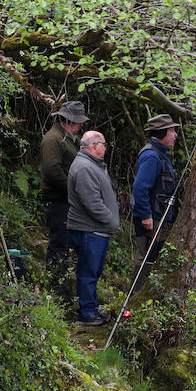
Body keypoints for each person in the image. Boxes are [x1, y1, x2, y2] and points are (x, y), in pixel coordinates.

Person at [66, 130, 119, 326]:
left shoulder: (91, 165)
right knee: (88, 273)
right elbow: (92, 203)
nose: (106, 147)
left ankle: (91, 309)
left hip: (96, 230)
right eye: (104, 144)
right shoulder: (84, 167)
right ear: (94, 145)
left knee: (92, 272)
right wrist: (111, 220)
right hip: (89, 229)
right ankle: (87, 313)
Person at [40, 100, 87, 306]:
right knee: (58, 248)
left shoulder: (65, 138)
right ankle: (58, 295)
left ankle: (64, 294)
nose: (80, 127)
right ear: (68, 121)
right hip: (59, 202)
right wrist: (74, 190)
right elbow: (52, 171)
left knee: (64, 247)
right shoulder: (53, 139)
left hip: (66, 201)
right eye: (77, 123)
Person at [131, 113, 181, 280]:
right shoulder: (151, 156)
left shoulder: (159, 154)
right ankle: (134, 297)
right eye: (172, 131)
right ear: (161, 133)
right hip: (152, 219)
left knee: (153, 258)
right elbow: (139, 188)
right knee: (146, 258)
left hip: (159, 216)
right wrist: (146, 216)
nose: (175, 135)